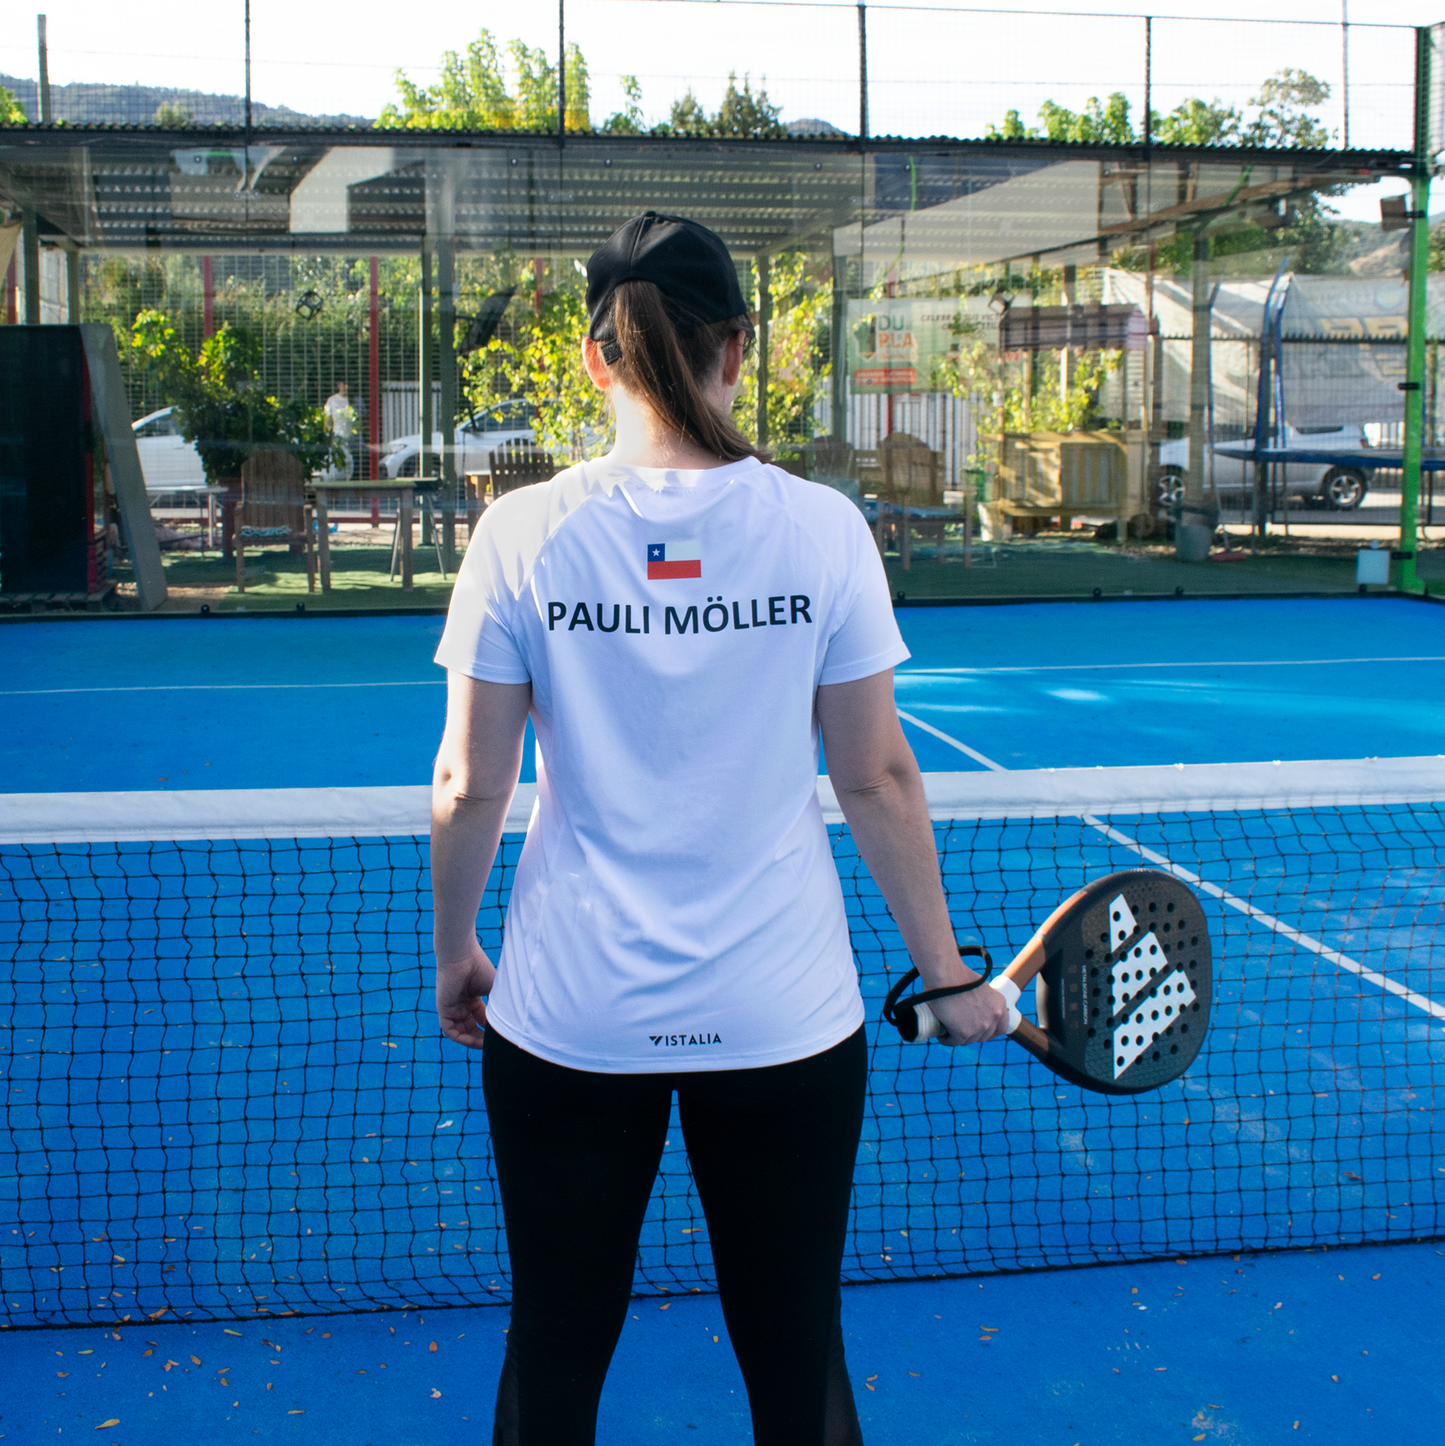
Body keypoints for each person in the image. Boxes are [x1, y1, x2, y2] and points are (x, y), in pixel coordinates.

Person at [429, 211, 1007, 1446]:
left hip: (568, 1016)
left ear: (594, 360)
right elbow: (878, 777)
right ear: (739, 348)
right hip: (783, 1019)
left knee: (557, 1343)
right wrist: (948, 974)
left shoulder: (519, 535)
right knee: (795, 1352)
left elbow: (469, 785)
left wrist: (457, 951)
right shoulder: (821, 528)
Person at [322, 380, 355, 479]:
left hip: (351, 439)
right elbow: (327, 421)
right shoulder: (332, 400)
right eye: (344, 384)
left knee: (349, 463)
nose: (346, 386)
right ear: (339, 385)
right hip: (337, 437)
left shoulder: (352, 400)